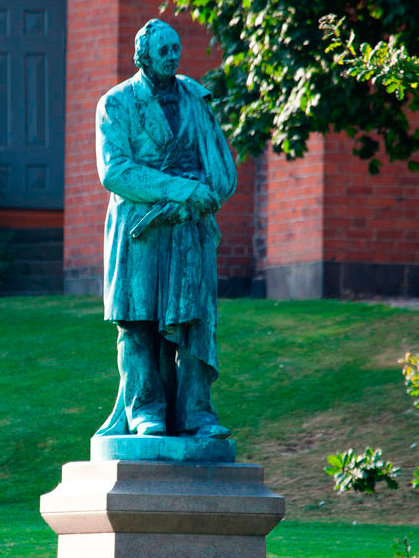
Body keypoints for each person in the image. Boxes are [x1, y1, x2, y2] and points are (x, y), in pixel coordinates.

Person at [94, 19, 237, 438]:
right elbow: (116, 171)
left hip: (188, 231)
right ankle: (144, 410)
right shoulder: (116, 104)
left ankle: (196, 411)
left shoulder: (195, 99)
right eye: (164, 50)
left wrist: (202, 194)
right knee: (137, 320)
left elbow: (219, 166)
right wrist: (182, 189)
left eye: (177, 48)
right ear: (143, 55)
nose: (173, 56)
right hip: (139, 231)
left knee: (196, 322)